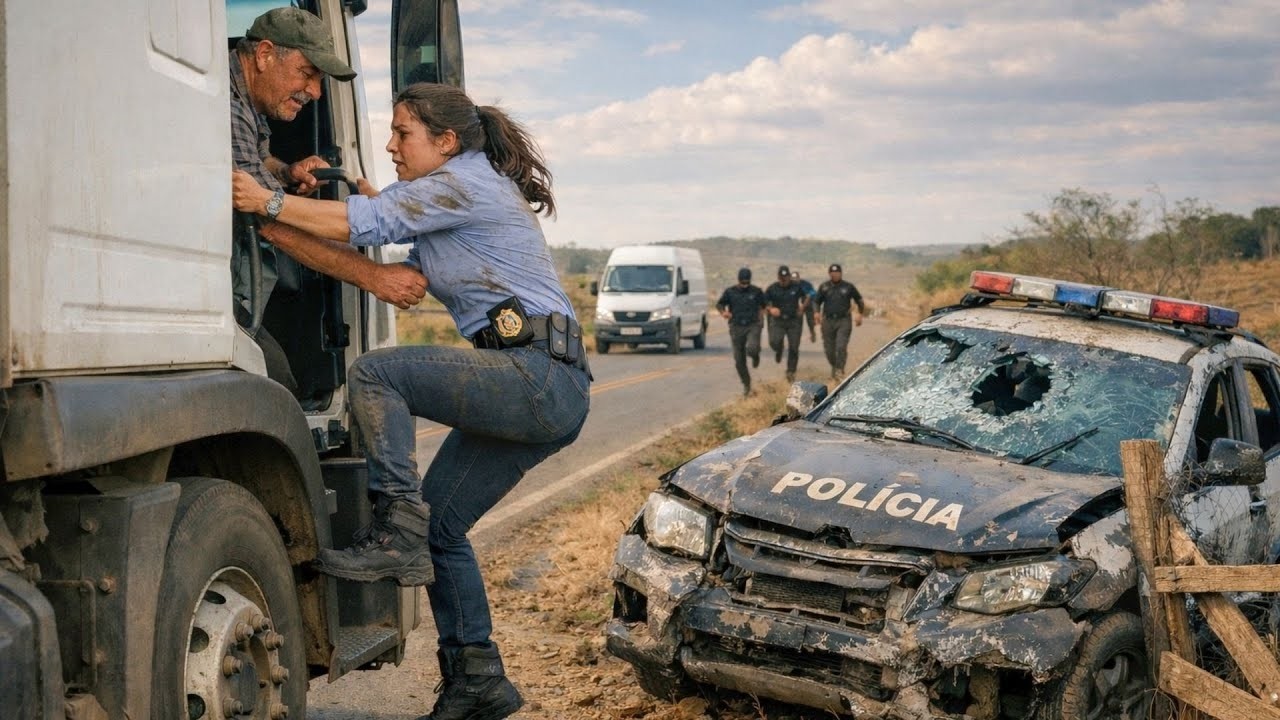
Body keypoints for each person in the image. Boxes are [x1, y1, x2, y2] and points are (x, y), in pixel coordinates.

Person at [232, 81, 590, 720]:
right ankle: (476, 681)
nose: (391, 146)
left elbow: (361, 224)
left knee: (377, 374)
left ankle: (396, 527)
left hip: (537, 376)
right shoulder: (450, 192)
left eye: (402, 134)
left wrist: (270, 199)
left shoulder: (465, 182)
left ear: (446, 142)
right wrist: (299, 216)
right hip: (541, 382)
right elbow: (378, 247)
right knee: (444, 528)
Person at [230, 7, 364, 394]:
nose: (316, 93)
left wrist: (286, 172)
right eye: (307, 74)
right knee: (278, 392)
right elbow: (265, 219)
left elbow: (255, 160)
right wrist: (372, 276)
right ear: (265, 54)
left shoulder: (245, 98)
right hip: (219, 299)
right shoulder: (226, 103)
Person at [715, 267, 766, 396]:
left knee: (753, 348)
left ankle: (755, 356)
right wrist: (724, 312)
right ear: (738, 280)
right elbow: (720, 304)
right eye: (742, 282)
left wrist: (761, 321)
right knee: (739, 360)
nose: (745, 285)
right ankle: (746, 384)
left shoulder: (757, 291)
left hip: (753, 325)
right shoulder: (730, 292)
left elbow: (764, 306)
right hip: (736, 327)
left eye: (747, 282)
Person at [814, 262, 865, 380]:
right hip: (828, 321)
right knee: (829, 350)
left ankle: (839, 371)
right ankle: (835, 366)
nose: (835, 275)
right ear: (829, 274)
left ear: (841, 273)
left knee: (841, 346)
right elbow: (816, 301)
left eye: (837, 272)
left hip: (844, 321)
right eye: (832, 273)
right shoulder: (824, 287)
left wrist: (860, 314)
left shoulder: (848, 287)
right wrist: (816, 312)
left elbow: (859, 300)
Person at [764, 265, 808, 383]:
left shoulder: (797, 287)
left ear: (789, 276)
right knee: (774, 342)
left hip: (794, 321)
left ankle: (790, 373)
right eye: (781, 277)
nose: (783, 279)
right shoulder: (772, 288)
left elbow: (807, 297)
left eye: (786, 277)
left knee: (794, 347)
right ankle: (779, 350)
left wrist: (802, 308)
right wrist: (770, 309)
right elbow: (763, 302)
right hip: (778, 321)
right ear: (778, 277)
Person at [793, 269, 818, 343]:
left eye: (796, 278)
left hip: (808, 302)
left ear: (798, 278)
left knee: (810, 320)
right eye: (792, 279)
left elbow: (811, 294)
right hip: (797, 304)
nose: (794, 280)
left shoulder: (806, 284)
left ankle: (812, 331)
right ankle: (796, 336)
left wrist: (803, 306)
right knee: (797, 321)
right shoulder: (790, 285)